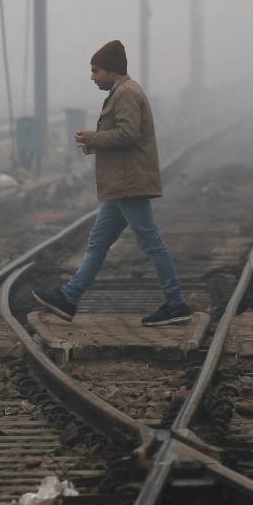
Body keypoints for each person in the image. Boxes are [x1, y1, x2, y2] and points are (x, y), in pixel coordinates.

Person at [32, 40, 193, 327]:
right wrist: (94, 144)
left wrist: (93, 139)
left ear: (111, 70)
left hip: (129, 182)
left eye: (96, 71)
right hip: (121, 183)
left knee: (151, 242)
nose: (92, 77)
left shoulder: (127, 94)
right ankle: (69, 298)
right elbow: (122, 135)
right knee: (98, 241)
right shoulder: (122, 92)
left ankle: (176, 304)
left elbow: (128, 134)